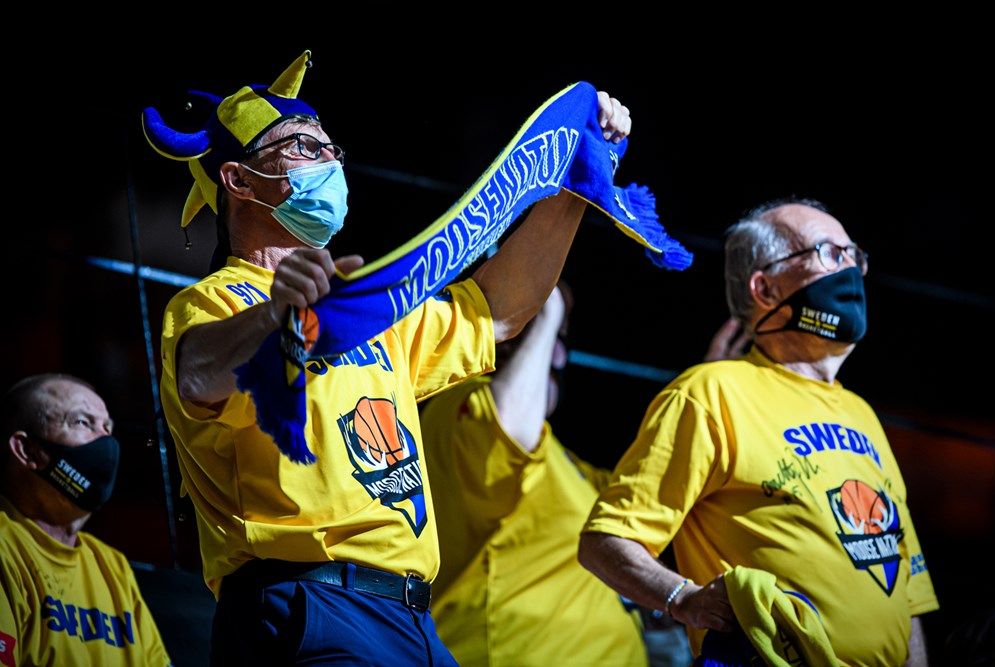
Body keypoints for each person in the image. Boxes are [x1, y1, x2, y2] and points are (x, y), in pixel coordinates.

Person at [148, 53, 632, 664]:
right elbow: (197, 374)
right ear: (239, 181)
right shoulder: (210, 302)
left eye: (332, 150)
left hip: (411, 618)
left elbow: (499, 313)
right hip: (305, 603)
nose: (330, 163)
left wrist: (579, 182)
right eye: (304, 147)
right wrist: (277, 315)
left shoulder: (367, 310)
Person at [579, 198, 939, 665]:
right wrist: (682, 599)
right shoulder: (711, 393)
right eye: (830, 253)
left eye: (855, 255)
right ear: (765, 288)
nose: (852, 269)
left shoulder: (862, 414)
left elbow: (906, 591)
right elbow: (606, 540)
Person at [420, 284, 647, 666]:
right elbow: (508, 423)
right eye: (541, 329)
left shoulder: (565, 462)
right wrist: (550, 310)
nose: (559, 354)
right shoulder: (460, 403)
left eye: (562, 338)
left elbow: (648, 497)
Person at [0, 374, 171, 666]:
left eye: (107, 427)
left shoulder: (112, 565)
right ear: (27, 450)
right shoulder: (7, 549)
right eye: (82, 422)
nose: (106, 441)